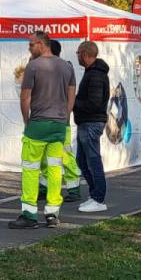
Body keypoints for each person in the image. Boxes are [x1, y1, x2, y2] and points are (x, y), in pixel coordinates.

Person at [9, 30, 75, 230]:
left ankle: (29, 214)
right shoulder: (66, 66)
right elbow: (71, 95)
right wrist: (64, 117)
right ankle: (52, 214)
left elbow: (25, 97)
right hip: (58, 125)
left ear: (41, 44)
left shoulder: (33, 66)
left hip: (38, 123)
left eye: (31, 45)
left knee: (30, 168)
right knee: (55, 169)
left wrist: (26, 120)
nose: (29, 48)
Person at [41, 40, 82, 203]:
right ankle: (44, 188)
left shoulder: (63, 69)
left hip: (58, 119)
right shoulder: (49, 68)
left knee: (64, 154)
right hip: (46, 119)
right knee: (44, 156)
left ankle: (73, 188)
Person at [73, 40, 110, 213]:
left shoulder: (95, 75)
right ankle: (95, 194)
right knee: (81, 159)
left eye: (78, 53)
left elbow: (94, 103)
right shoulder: (92, 72)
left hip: (91, 122)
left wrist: (73, 102)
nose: (77, 56)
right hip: (87, 122)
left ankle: (99, 198)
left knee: (92, 160)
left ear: (85, 54)